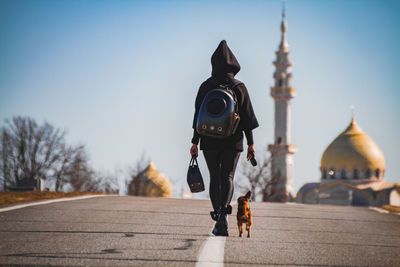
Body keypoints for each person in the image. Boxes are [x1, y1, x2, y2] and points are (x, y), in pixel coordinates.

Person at [190, 40, 259, 236]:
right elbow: (247, 117)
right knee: (227, 176)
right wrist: (251, 143)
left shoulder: (206, 85)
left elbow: (198, 115)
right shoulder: (239, 86)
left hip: (208, 137)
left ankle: (218, 215)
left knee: (214, 177)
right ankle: (223, 215)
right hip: (233, 138)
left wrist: (194, 141)